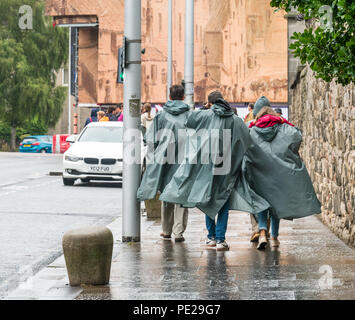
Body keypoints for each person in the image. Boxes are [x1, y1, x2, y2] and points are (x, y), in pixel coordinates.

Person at [159, 90, 253, 251]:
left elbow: (188, 121)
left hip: (205, 165)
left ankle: (211, 237)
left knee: (206, 199)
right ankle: (221, 239)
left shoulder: (204, 115)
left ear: (210, 103)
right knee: (222, 202)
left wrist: (204, 110)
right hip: (226, 167)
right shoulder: (236, 120)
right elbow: (246, 141)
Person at [242, 99, 321, 250]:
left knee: (261, 202)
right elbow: (297, 137)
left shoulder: (251, 129)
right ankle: (275, 237)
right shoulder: (284, 127)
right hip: (279, 173)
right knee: (276, 203)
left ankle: (263, 231)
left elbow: (244, 144)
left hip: (259, 173)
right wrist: (283, 121)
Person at [137, 85, 191, 242]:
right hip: (184, 161)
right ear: (183, 97)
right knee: (181, 195)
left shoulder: (161, 116)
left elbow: (150, 138)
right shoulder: (189, 115)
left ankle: (166, 230)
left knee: (167, 194)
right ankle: (179, 232)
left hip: (165, 161)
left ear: (169, 95)